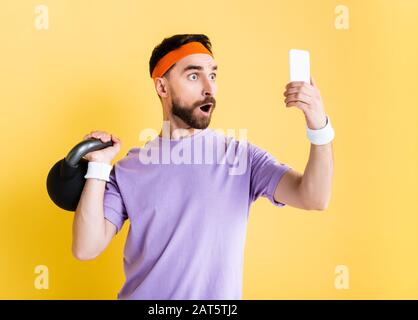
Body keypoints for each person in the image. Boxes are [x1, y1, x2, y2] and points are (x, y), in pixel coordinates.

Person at [72, 34, 335, 300]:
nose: (209, 87)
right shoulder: (129, 168)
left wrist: (319, 125)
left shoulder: (240, 157)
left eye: (214, 75)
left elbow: (314, 197)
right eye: (194, 76)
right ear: (162, 87)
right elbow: (86, 248)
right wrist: (99, 167)